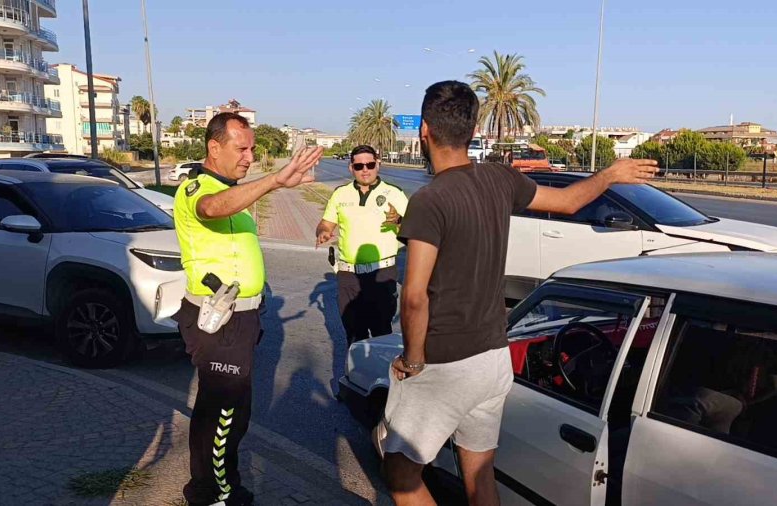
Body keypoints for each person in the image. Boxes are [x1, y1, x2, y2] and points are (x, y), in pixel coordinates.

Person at [380, 81, 658, 505]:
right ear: (472, 130)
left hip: (446, 360)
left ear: (423, 131)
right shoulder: (498, 178)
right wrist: (608, 176)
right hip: (493, 358)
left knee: (400, 473)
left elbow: (415, 295)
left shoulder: (429, 200)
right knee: (480, 476)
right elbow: (566, 201)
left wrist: (412, 359)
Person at [172, 112, 322, 506]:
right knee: (224, 414)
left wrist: (277, 186)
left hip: (242, 318)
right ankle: (214, 494)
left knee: (229, 409)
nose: (249, 157)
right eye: (242, 148)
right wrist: (274, 180)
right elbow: (210, 207)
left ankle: (212, 488)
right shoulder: (195, 188)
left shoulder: (233, 191)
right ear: (214, 147)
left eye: (253, 148)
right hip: (218, 319)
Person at [315, 145, 409, 346]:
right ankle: (355, 376)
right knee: (354, 336)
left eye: (370, 164)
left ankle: (379, 377)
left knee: (381, 334)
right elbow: (325, 223)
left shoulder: (394, 193)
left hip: (382, 274)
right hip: (348, 275)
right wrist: (322, 232)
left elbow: (416, 230)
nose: (365, 170)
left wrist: (399, 221)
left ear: (378, 165)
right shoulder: (340, 194)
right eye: (359, 166)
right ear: (351, 168)